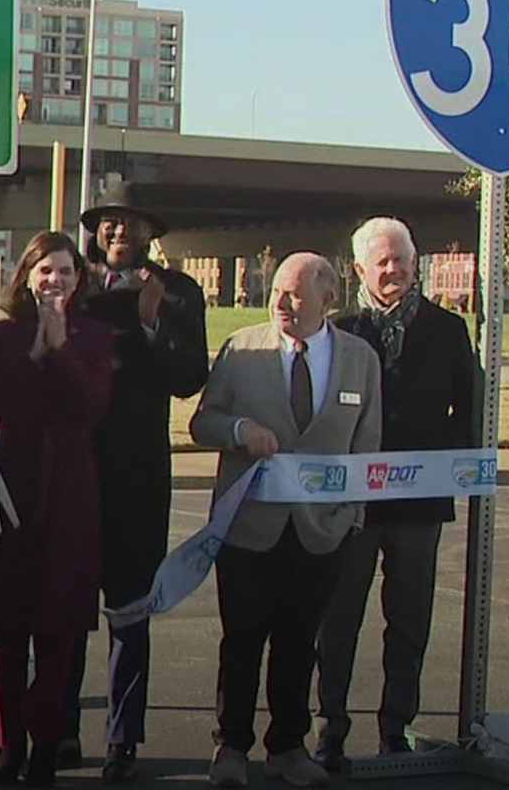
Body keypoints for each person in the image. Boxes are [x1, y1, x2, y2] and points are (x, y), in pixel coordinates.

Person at [190, 252, 382, 789]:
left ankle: (289, 745)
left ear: (328, 299)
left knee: (299, 642)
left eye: (294, 294)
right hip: (248, 526)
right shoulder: (242, 349)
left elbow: (367, 443)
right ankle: (231, 745)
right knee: (243, 638)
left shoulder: (359, 360)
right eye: (275, 290)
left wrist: (353, 516)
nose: (280, 302)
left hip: (322, 530)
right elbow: (202, 421)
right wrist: (239, 429)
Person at [0, 231, 113, 789]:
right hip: (13, 479)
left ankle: (46, 741)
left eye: (65, 271)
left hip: (69, 486)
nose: (55, 281)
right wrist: (37, 350)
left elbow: (90, 406)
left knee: (58, 626)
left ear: (78, 279)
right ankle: (8, 742)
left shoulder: (94, 335)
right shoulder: (6, 332)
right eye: (45, 271)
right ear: (28, 277)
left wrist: (62, 348)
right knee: (9, 626)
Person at [60, 184, 210, 782]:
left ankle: (122, 739)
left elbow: (189, 376)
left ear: (151, 231)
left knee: (130, 613)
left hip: (139, 475)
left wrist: (152, 325)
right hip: (76, 469)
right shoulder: (72, 285)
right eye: (109, 223)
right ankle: (60, 727)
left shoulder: (177, 293)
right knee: (68, 610)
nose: (119, 232)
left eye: (131, 223)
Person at [314, 218, 475, 772]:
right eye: (382, 261)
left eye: (402, 258)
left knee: (409, 620)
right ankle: (329, 729)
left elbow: (470, 412)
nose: (394, 269)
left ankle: (395, 729)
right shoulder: (339, 332)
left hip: (418, 505)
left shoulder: (447, 330)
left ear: (416, 261)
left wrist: (437, 462)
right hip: (353, 505)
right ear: (359, 268)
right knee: (338, 620)